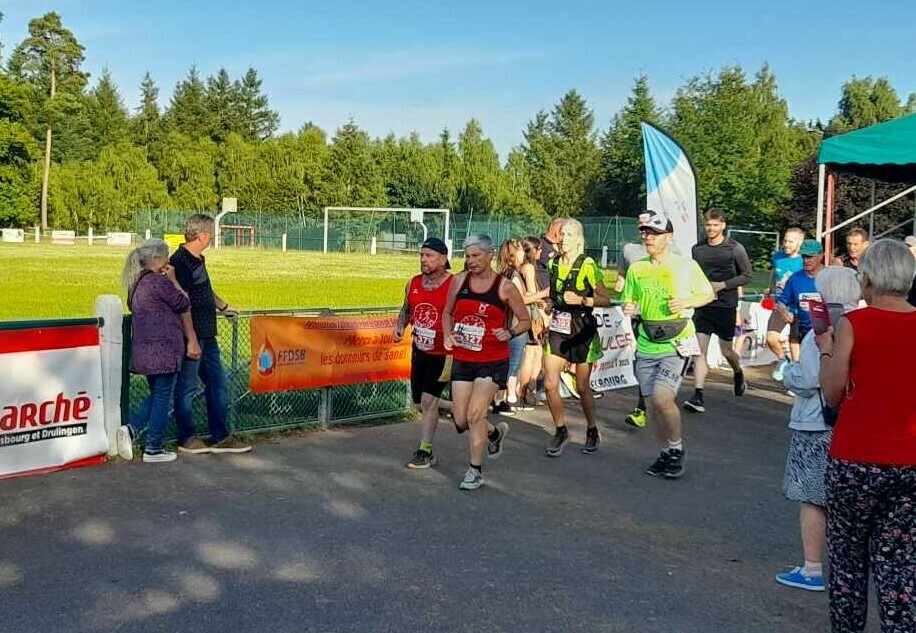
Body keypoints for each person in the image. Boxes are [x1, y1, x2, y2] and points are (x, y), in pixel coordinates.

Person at [815, 239, 916, 632]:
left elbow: (833, 393)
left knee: (847, 563)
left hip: (856, 457)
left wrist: (826, 350)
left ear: (869, 279)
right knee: (899, 565)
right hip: (909, 460)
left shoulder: (854, 324)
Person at [775, 267, 861, 592]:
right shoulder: (862, 325)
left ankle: (811, 568)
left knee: (812, 498)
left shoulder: (820, 332)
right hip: (851, 421)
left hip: (815, 421)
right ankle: (846, 567)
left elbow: (811, 380)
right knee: (845, 499)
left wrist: (787, 374)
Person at [621, 211, 714, 479]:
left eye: (654, 233)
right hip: (647, 342)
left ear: (668, 237)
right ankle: (664, 452)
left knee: (663, 398)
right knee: (652, 406)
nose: (647, 237)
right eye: (645, 233)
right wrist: (630, 307)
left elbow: (707, 293)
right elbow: (630, 300)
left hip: (676, 342)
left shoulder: (686, 265)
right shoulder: (638, 268)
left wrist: (686, 302)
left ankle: (676, 449)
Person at [442, 234, 530, 490]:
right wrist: (448, 334)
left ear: (490, 255)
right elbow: (447, 312)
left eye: (476, 256)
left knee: (474, 414)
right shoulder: (459, 281)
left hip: (492, 359)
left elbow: (524, 320)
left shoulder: (504, 287)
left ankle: (475, 471)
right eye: (467, 256)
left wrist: (510, 332)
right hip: (464, 358)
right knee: (460, 420)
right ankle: (493, 433)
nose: (470, 261)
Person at [171, 214, 252, 454]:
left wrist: (224, 307)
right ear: (201, 235)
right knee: (186, 387)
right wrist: (191, 339)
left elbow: (205, 289)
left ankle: (220, 436)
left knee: (218, 384)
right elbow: (182, 302)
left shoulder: (197, 260)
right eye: (211, 234)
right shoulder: (181, 262)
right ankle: (187, 437)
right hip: (192, 336)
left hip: (207, 334)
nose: (213, 238)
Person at [117, 239, 197, 463]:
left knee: (157, 395)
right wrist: (173, 280)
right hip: (164, 350)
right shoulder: (158, 283)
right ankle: (152, 446)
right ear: (156, 259)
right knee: (163, 397)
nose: (168, 261)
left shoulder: (136, 284)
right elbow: (183, 302)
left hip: (144, 350)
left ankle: (133, 431)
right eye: (166, 257)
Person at [543, 219, 611, 456]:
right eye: (561, 234)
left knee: (582, 386)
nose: (563, 239)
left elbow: (606, 298)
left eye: (569, 235)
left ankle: (592, 429)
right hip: (559, 327)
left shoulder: (587, 265)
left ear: (578, 239)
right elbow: (553, 294)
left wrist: (583, 300)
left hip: (582, 327)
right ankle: (560, 429)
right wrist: (551, 303)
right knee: (550, 382)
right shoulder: (553, 263)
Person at [683, 211, 752, 413]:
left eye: (715, 225)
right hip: (703, 306)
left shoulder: (735, 249)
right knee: (699, 351)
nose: (711, 228)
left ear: (723, 226)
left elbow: (747, 276)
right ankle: (698, 395)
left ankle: (737, 371)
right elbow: (693, 274)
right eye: (708, 225)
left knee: (727, 351)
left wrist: (722, 285)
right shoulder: (698, 249)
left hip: (725, 306)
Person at [393, 237, 452, 469]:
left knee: (428, 401)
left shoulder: (454, 284)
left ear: (443, 259)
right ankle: (483, 426)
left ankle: (425, 451)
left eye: (429, 256)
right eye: (421, 255)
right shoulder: (413, 283)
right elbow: (406, 310)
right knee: (420, 403)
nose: (423, 260)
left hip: (444, 353)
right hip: (420, 351)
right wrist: (400, 326)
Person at [770, 239, 825, 382]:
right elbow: (782, 300)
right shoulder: (796, 277)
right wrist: (783, 311)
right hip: (802, 331)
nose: (806, 260)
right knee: (803, 370)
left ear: (821, 256)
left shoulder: (830, 276)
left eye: (810, 257)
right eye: (804, 256)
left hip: (825, 333)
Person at [616, 236, 649, 428]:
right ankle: (642, 409)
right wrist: (621, 282)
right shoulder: (629, 248)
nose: (647, 234)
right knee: (642, 361)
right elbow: (622, 274)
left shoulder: (673, 254)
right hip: (637, 315)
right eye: (642, 227)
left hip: (665, 321)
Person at [492, 238, 528, 414]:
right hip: (514, 325)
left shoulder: (503, 274)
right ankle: (502, 399)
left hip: (507, 324)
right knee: (511, 365)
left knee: (508, 363)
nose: (524, 254)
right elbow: (520, 300)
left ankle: (503, 398)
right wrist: (542, 294)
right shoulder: (512, 275)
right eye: (521, 250)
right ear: (514, 254)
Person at [766, 228, 805, 379]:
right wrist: (769, 287)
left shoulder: (803, 261)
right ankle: (783, 358)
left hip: (797, 307)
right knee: (770, 338)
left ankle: (796, 378)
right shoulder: (778, 256)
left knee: (795, 343)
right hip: (780, 304)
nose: (786, 244)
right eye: (785, 241)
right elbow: (774, 272)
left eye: (790, 241)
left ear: (799, 243)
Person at [517, 236, 549, 408]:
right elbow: (530, 294)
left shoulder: (526, 267)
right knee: (532, 355)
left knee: (535, 354)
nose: (541, 252)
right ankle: (524, 393)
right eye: (539, 249)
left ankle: (528, 392)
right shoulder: (528, 267)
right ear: (532, 250)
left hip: (530, 313)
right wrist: (544, 295)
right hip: (532, 316)